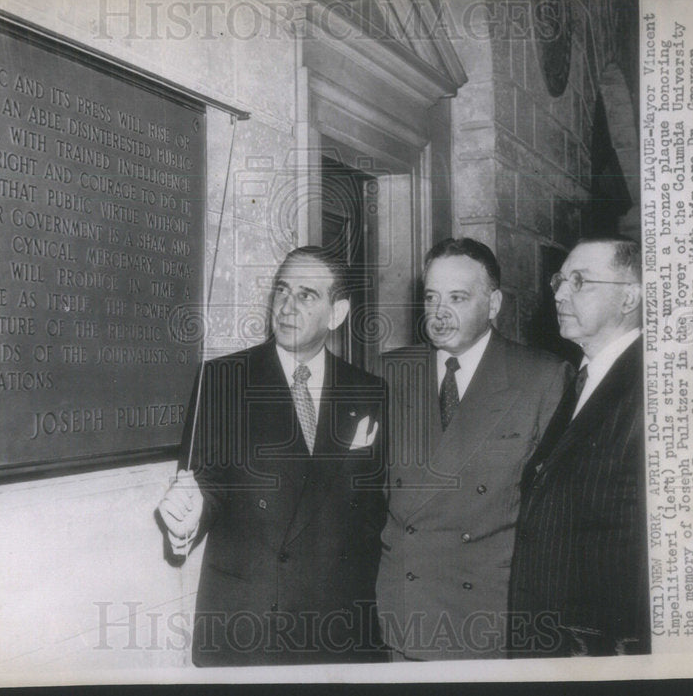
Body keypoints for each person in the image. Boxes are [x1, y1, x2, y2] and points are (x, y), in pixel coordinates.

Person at [158, 246, 387, 667]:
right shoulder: (222, 379)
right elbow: (205, 483)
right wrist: (185, 525)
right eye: (282, 291)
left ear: (336, 313)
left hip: (339, 629)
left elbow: (375, 507)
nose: (286, 306)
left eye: (306, 295)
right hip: (251, 626)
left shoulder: (369, 391)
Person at [376, 238, 571, 660]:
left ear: (494, 303)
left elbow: (555, 518)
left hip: (486, 618)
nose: (440, 313)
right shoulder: (389, 372)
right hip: (406, 616)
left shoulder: (542, 378)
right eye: (431, 297)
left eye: (458, 298)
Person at [508, 236, 648, 657]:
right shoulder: (581, 379)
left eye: (580, 281)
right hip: (551, 642)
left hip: (598, 650)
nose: (560, 294)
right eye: (559, 280)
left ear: (629, 298)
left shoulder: (651, 386)